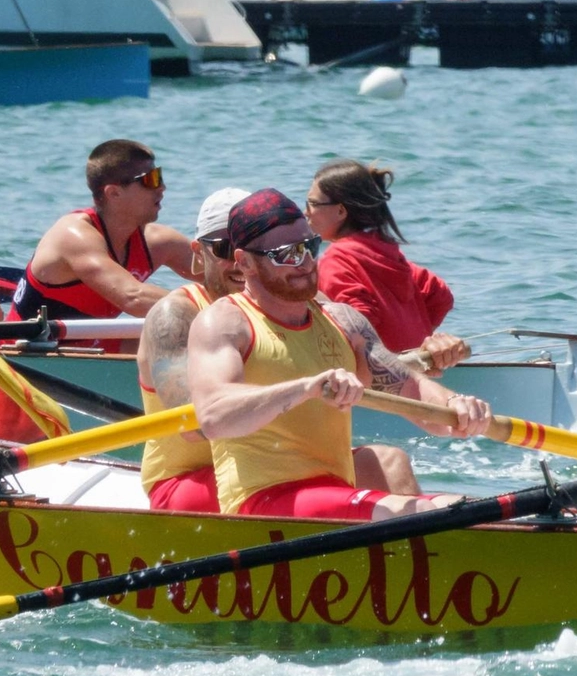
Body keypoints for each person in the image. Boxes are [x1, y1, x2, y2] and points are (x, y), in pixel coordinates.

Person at [187, 188, 491, 521]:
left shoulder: (345, 322)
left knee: (474, 509)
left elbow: (411, 387)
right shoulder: (225, 321)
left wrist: (456, 408)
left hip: (335, 494)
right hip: (262, 503)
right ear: (245, 262)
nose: (303, 263)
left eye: (308, 247)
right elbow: (214, 416)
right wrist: (307, 388)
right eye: (284, 254)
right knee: (424, 513)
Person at [137, 188, 422, 512]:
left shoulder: (308, 309)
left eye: (263, 249)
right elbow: (195, 426)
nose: (237, 261)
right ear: (198, 253)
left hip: (279, 469)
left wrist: (416, 366)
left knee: (388, 461)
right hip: (188, 481)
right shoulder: (174, 317)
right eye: (225, 248)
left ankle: (425, 553)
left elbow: (367, 373)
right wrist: (301, 390)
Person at [5, 139, 194, 349]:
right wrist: (214, 311)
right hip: (22, 359)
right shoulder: (72, 236)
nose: (162, 188)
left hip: (92, 350)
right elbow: (133, 298)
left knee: (192, 341)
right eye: (151, 179)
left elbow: (222, 272)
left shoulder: (159, 243)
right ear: (113, 193)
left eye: (159, 175)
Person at [305, 159, 467, 370]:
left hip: (382, 379)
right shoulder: (385, 250)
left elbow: (357, 322)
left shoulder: (336, 259)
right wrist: (418, 336)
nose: (306, 212)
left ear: (341, 211)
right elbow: (440, 295)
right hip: (417, 370)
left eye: (312, 203)